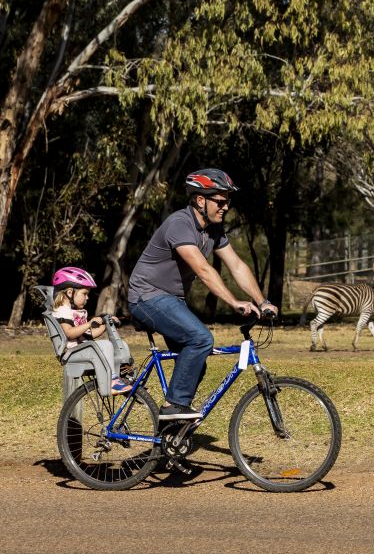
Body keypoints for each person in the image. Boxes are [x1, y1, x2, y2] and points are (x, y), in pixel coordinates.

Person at [127, 168, 278, 421]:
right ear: (200, 200)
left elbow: (237, 266)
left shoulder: (213, 231)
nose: (225, 207)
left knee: (197, 361)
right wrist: (234, 302)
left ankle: (172, 435)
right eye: (220, 201)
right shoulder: (180, 224)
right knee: (200, 339)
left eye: (228, 201)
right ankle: (173, 407)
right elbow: (203, 269)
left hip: (171, 299)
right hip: (147, 296)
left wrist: (261, 301)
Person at [51, 267, 132, 395]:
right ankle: (112, 381)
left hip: (84, 348)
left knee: (121, 345)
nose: (87, 298)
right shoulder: (62, 311)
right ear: (70, 292)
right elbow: (69, 333)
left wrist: (106, 324)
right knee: (105, 345)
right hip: (73, 353)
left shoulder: (73, 312)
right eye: (84, 293)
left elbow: (89, 335)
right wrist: (89, 323)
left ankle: (126, 377)